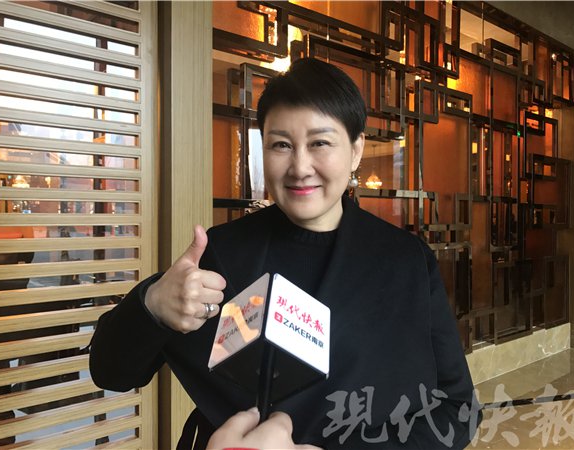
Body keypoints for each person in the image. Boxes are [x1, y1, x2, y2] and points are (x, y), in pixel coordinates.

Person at [90, 57, 481, 449]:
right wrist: (153, 304)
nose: (300, 167)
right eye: (281, 145)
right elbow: (112, 373)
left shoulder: (406, 260)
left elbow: (458, 409)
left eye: (320, 143)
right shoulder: (223, 252)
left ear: (356, 149)